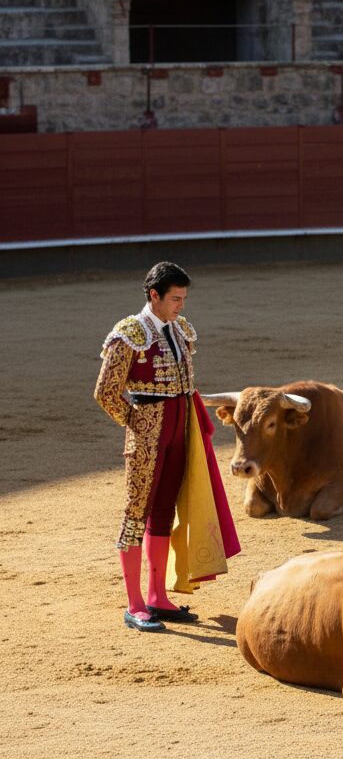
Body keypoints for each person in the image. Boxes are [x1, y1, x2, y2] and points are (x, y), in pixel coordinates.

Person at [94, 261, 238, 632]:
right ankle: (135, 603)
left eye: (184, 298)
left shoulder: (181, 330)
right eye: (175, 298)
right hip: (148, 435)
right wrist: (136, 422)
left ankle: (157, 594)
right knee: (135, 514)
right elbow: (106, 392)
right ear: (153, 295)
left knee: (163, 513)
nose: (181, 306)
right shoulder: (129, 333)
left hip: (180, 431)